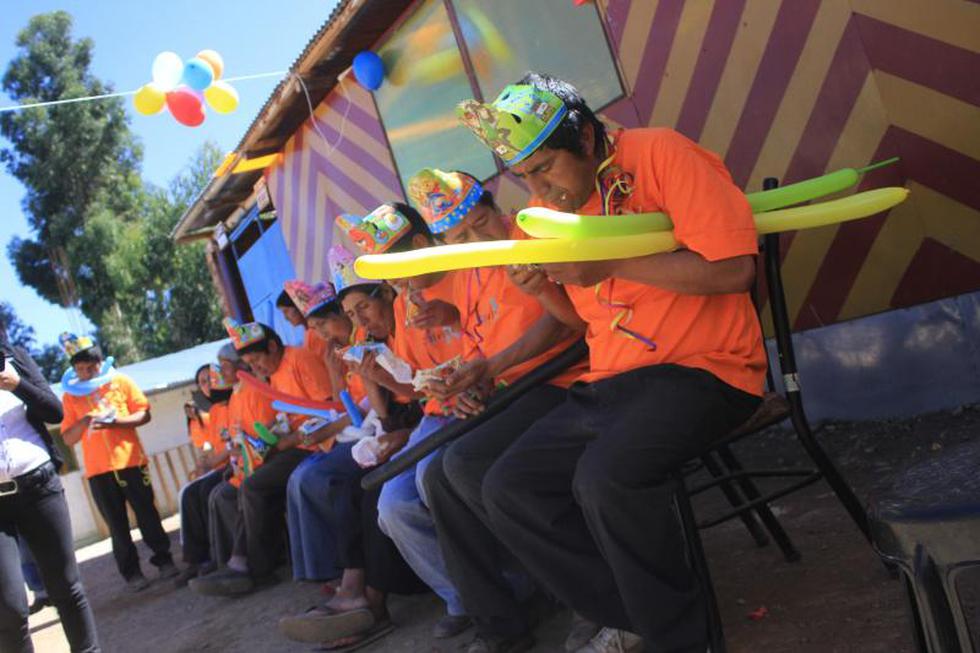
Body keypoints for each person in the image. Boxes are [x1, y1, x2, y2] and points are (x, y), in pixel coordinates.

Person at [451, 72, 767, 653]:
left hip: (708, 369)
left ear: (589, 141)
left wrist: (609, 263)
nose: (539, 189)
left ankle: (680, 639)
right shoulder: (545, 216)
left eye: (545, 168)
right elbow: (577, 322)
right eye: (524, 177)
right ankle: (638, 616)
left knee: (604, 478)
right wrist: (543, 287)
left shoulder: (661, 153)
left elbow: (733, 271)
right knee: (506, 487)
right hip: (612, 381)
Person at [394, 169, 586, 653]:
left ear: (494, 205)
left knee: (464, 464)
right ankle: (501, 622)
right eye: (460, 237)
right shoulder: (471, 267)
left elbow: (566, 324)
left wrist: (492, 367)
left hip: (561, 379)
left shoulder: (532, 234)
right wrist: (470, 378)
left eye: (480, 223)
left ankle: (580, 591)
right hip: (512, 387)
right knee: (435, 478)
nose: (476, 240)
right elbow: (486, 334)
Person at [278, 240, 426, 649]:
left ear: (387, 295)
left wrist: (394, 429)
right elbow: (381, 408)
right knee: (348, 481)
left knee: (369, 485)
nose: (358, 320)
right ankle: (350, 586)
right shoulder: (364, 342)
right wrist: (360, 375)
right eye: (349, 314)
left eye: (362, 308)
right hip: (396, 421)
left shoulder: (412, 323)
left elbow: (420, 394)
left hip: (424, 416)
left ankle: (371, 605)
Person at [190, 319, 338, 596]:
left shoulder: (300, 360)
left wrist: (286, 440)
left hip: (317, 443)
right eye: (249, 362)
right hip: (292, 443)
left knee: (254, 485)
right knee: (243, 479)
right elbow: (283, 417)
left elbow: (327, 410)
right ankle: (237, 560)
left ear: (272, 346)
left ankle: (257, 568)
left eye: (257, 359)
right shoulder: (274, 373)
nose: (256, 368)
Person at [0, 326, 100, 652]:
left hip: (39, 486)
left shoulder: (16, 359)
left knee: (66, 588)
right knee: (10, 609)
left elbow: (55, 412)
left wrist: (18, 385)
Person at [59, 334, 177, 592]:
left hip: (130, 461)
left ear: (101, 362)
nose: (87, 373)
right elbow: (68, 437)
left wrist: (116, 422)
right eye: (80, 369)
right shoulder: (71, 396)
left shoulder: (120, 381)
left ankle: (164, 560)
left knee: (147, 513)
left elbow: (144, 413)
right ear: (73, 370)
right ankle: (132, 573)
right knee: (117, 525)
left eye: (92, 367)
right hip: (98, 471)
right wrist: (85, 420)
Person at [175, 359, 235, 586]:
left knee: (204, 491)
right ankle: (196, 560)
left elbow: (232, 443)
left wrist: (212, 462)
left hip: (236, 461)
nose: (208, 384)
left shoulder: (232, 400)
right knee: (191, 493)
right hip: (221, 463)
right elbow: (209, 445)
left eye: (210, 378)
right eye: (202, 382)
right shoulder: (216, 409)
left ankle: (216, 556)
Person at [278, 282, 329, 360]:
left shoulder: (315, 333)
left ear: (298, 306)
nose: (286, 318)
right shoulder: (309, 333)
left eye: (286, 311)